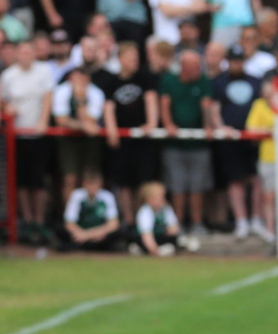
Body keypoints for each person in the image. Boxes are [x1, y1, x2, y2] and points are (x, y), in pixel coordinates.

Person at [0, 39, 55, 244]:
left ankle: (39, 220)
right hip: (17, 136)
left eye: (28, 52)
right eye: (21, 52)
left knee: (38, 180)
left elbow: (48, 97)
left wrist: (43, 121)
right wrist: (7, 109)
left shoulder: (44, 71)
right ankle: (28, 220)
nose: (25, 55)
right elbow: (2, 99)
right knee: (21, 181)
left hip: (38, 135)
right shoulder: (8, 75)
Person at [210, 44, 263, 239]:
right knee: (235, 180)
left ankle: (256, 220)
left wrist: (258, 129)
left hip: (253, 139)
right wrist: (220, 127)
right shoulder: (219, 82)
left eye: (239, 61)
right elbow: (214, 109)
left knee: (256, 179)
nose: (236, 64)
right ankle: (241, 221)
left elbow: (262, 106)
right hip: (230, 139)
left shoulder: (255, 81)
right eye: (233, 61)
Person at [103, 41, 159, 225]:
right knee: (124, 182)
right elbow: (108, 107)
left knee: (142, 182)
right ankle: (128, 220)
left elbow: (151, 99)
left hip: (142, 138)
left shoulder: (145, 77)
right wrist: (112, 130)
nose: (134, 61)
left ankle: (142, 221)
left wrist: (151, 124)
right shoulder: (112, 82)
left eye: (136, 58)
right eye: (130, 58)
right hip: (123, 140)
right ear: (120, 59)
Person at [159, 50, 213, 233]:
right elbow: (164, 104)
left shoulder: (203, 81)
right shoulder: (169, 81)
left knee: (197, 186)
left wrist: (208, 125)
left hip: (198, 144)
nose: (198, 70)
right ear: (184, 67)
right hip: (175, 145)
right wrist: (168, 125)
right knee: (177, 187)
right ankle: (178, 223)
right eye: (194, 67)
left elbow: (206, 104)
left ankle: (197, 223)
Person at [246, 79, 278, 241]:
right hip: (267, 157)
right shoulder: (258, 105)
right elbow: (251, 129)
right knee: (268, 195)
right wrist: (271, 130)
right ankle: (270, 230)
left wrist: (266, 131)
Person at [53, 66, 105, 204]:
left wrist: (80, 99)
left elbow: (91, 121)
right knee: (70, 178)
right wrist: (82, 125)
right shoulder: (61, 91)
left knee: (89, 178)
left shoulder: (96, 93)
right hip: (67, 141)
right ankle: (69, 213)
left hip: (90, 142)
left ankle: (87, 212)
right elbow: (61, 120)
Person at [60, 171, 121, 251]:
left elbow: (114, 224)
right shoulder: (76, 195)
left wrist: (89, 235)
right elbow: (69, 223)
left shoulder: (107, 196)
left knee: (119, 233)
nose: (93, 187)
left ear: (100, 183)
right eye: (90, 184)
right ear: (84, 183)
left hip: (99, 235)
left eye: (95, 183)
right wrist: (81, 234)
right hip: (79, 235)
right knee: (61, 231)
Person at [133, 181, 181, 255]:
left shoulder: (166, 208)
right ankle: (140, 249)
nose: (163, 199)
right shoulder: (145, 211)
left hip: (159, 237)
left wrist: (170, 229)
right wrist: (155, 251)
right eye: (159, 197)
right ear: (149, 198)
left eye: (163, 196)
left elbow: (174, 228)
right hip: (145, 240)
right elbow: (146, 235)